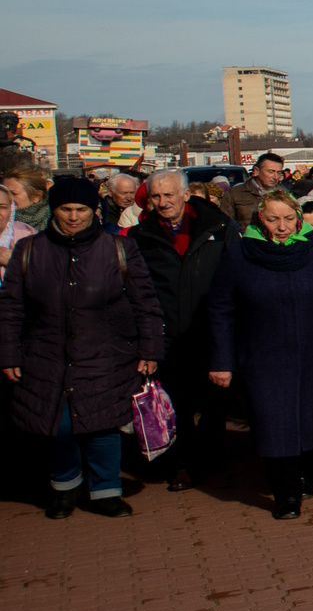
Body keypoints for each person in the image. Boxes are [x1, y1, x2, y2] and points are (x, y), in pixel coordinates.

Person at [0, 177, 164, 518]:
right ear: (54, 210)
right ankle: (65, 487)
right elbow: (11, 307)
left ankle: (106, 491)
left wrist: (150, 349)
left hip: (106, 352)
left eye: (82, 210)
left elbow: (144, 301)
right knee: (58, 426)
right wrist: (8, 352)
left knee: (102, 426)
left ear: (93, 210)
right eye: (65, 209)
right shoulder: (30, 250)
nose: (74, 217)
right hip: (46, 355)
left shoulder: (118, 248)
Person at [208, 188, 313, 520]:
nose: (282, 226)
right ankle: (286, 492)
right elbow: (221, 308)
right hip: (264, 355)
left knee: (312, 415)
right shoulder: (239, 253)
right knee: (273, 422)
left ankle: (310, 472)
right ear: (260, 218)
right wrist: (221, 359)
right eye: (274, 218)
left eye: (289, 218)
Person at [130, 168, 236, 490]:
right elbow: (137, 289)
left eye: (169, 195)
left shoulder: (219, 226)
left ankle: (213, 457)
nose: (163, 203)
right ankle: (181, 465)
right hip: (169, 334)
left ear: (186, 195)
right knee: (176, 403)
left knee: (215, 400)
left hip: (212, 330)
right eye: (156, 197)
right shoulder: (140, 236)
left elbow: (235, 275)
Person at [225, 153, 289, 228]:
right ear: (256, 170)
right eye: (271, 172)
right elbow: (226, 223)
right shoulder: (235, 194)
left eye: (278, 173)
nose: (275, 177)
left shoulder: (285, 194)